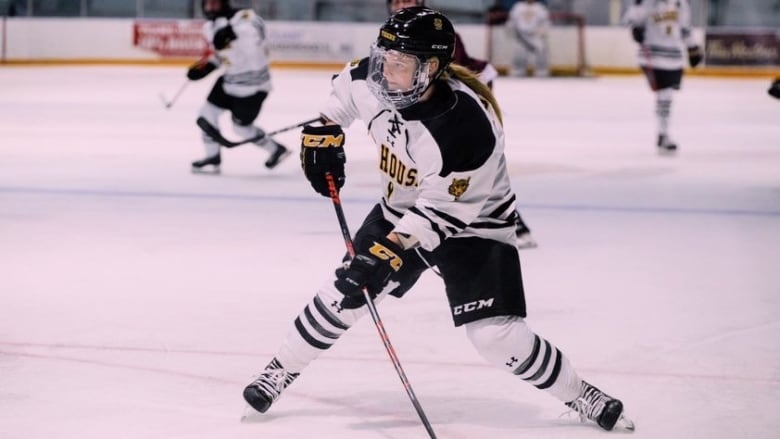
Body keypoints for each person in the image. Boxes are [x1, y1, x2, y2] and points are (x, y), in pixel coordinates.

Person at [242, 7, 634, 433]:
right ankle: (280, 369)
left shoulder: (465, 127)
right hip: (399, 209)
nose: (384, 72)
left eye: (399, 64)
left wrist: (388, 250)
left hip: (474, 226)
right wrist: (325, 131)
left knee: (495, 338)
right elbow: (341, 96)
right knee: (344, 294)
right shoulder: (371, 78)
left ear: (430, 69)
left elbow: (445, 211)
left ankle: (581, 394)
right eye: (383, 58)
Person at [388, 0, 537, 249]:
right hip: (432, 113)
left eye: (409, 0)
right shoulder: (392, 36)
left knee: (472, 169)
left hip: (458, 109)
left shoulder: (436, 34)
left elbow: (446, 79)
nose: (403, 5)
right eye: (397, 1)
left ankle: (510, 222)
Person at [187, 0, 289, 173]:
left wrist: (232, 31)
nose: (211, 8)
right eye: (208, 4)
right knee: (206, 115)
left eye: (215, 4)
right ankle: (213, 157)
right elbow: (225, 54)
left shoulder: (244, 16)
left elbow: (255, 35)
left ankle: (276, 149)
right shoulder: (209, 27)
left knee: (241, 129)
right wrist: (207, 66)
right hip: (229, 81)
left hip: (254, 86)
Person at [623, 0, 702, 154]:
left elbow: (685, 28)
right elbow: (630, 17)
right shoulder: (646, 2)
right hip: (652, 55)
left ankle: (663, 133)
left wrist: (692, 47)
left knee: (666, 96)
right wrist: (635, 28)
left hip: (673, 58)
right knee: (664, 94)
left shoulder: (681, 4)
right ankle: (663, 133)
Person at [506, 0, 551, 77]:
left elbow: (545, 22)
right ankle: (518, 70)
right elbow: (512, 21)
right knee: (519, 54)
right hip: (521, 36)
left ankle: (541, 71)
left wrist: (541, 32)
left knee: (541, 51)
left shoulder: (540, 8)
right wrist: (511, 29)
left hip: (535, 36)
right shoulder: (518, 7)